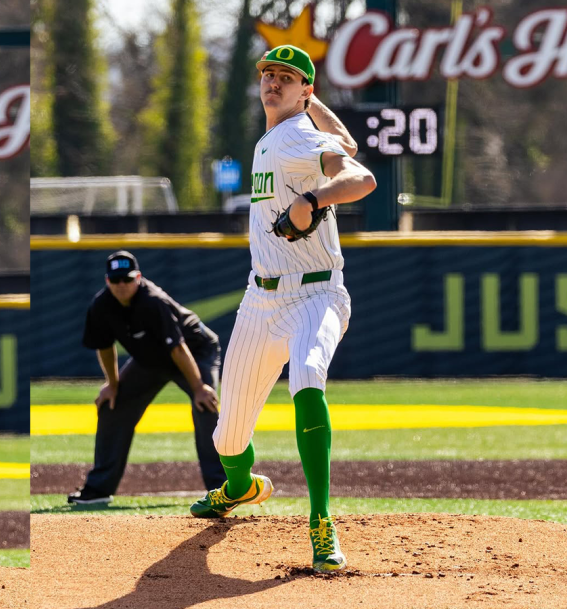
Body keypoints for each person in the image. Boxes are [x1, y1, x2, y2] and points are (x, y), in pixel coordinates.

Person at [189, 45, 376, 574]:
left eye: (287, 77)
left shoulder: (295, 136)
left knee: (307, 377)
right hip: (261, 299)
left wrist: (313, 201)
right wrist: (312, 103)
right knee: (228, 436)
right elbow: (347, 144)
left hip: (316, 293)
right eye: (269, 74)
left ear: (304, 90)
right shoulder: (279, 135)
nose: (273, 82)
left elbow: (362, 178)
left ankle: (321, 521)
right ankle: (239, 487)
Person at [68, 251, 224, 505]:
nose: (121, 285)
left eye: (127, 279)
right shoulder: (101, 305)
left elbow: (178, 348)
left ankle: (222, 488)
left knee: (205, 405)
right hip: (151, 359)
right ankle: (98, 489)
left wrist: (198, 387)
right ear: (107, 281)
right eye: (116, 280)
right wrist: (112, 385)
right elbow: (104, 346)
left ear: (138, 277)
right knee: (112, 405)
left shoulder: (153, 301)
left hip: (194, 352)